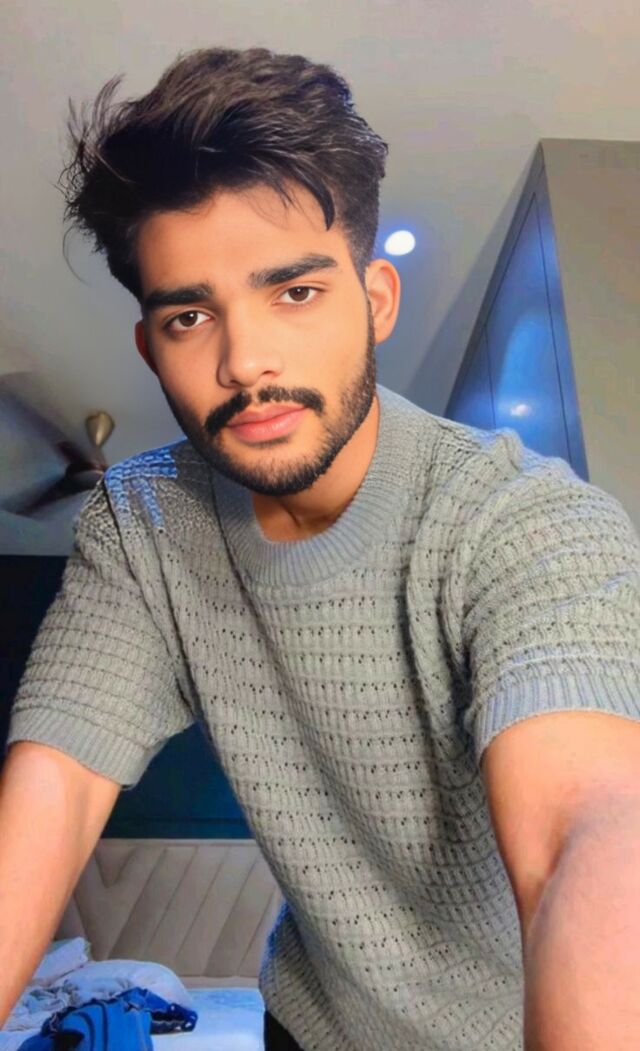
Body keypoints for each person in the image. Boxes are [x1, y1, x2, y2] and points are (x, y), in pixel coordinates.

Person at [2, 45, 640, 1051]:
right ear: (152, 346)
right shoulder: (142, 521)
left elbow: (588, 825)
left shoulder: (523, 519)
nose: (244, 360)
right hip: (306, 1019)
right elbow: (58, 784)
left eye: (294, 291)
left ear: (375, 299)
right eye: (189, 314)